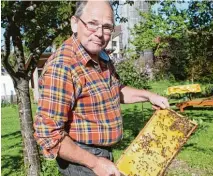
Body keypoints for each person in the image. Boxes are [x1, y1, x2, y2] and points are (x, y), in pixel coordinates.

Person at [33, 1, 170, 176]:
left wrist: (149, 96)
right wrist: (95, 163)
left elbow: (114, 90)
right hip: (82, 162)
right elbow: (48, 134)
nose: (99, 34)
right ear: (75, 23)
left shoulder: (100, 55)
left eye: (106, 27)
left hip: (100, 156)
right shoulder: (63, 66)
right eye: (92, 24)